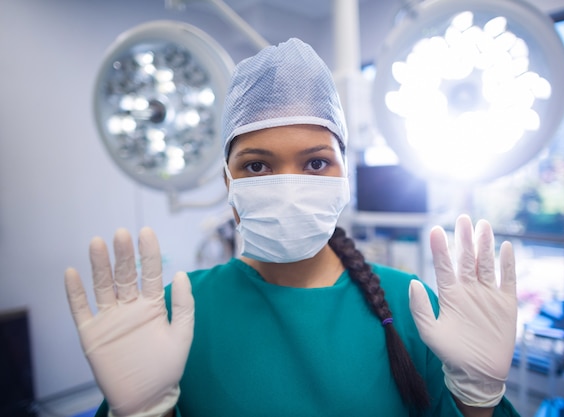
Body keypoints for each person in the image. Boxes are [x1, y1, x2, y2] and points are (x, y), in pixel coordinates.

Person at [64, 38, 520, 417]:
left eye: (316, 162)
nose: (288, 187)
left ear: (345, 177)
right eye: (257, 166)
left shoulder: (412, 305)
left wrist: (477, 398)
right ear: (229, 182)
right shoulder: (176, 312)